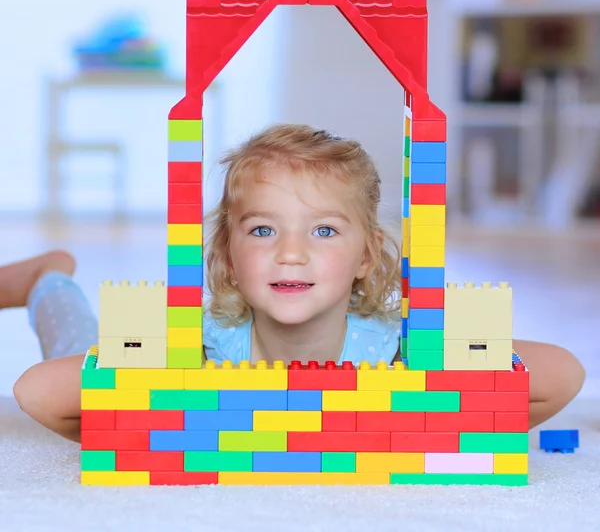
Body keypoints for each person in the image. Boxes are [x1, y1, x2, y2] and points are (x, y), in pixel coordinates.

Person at [9, 124, 586, 442]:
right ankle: (46, 279)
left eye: (324, 232)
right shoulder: (202, 345)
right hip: (167, 361)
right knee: (75, 345)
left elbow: (563, 373)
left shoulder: (393, 348)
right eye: (262, 230)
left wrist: (461, 430)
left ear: (367, 256)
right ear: (229, 258)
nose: (290, 253)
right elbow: (39, 392)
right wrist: (165, 421)